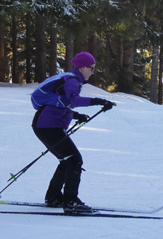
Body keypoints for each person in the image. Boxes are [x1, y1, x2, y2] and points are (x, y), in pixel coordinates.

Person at [31, 51, 115, 214]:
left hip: (44, 125)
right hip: (48, 127)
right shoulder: (72, 80)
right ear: (82, 67)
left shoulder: (69, 79)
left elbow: (59, 104)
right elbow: (74, 101)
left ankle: (53, 197)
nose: (92, 72)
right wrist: (99, 101)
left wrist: (76, 116)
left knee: (67, 160)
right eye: (91, 68)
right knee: (74, 160)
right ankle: (70, 202)